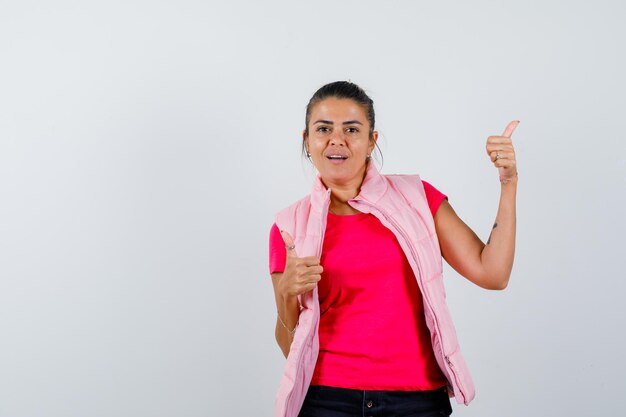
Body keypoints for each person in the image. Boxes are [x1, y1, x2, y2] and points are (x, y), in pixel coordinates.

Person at [268, 81, 518, 417]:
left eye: (351, 129)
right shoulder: (289, 226)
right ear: (307, 140)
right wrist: (286, 295)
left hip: (416, 402)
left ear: (372, 140)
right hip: (327, 400)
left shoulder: (417, 198)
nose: (336, 140)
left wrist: (508, 183)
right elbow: (290, 349)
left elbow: (493, 273)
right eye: (323, 128)